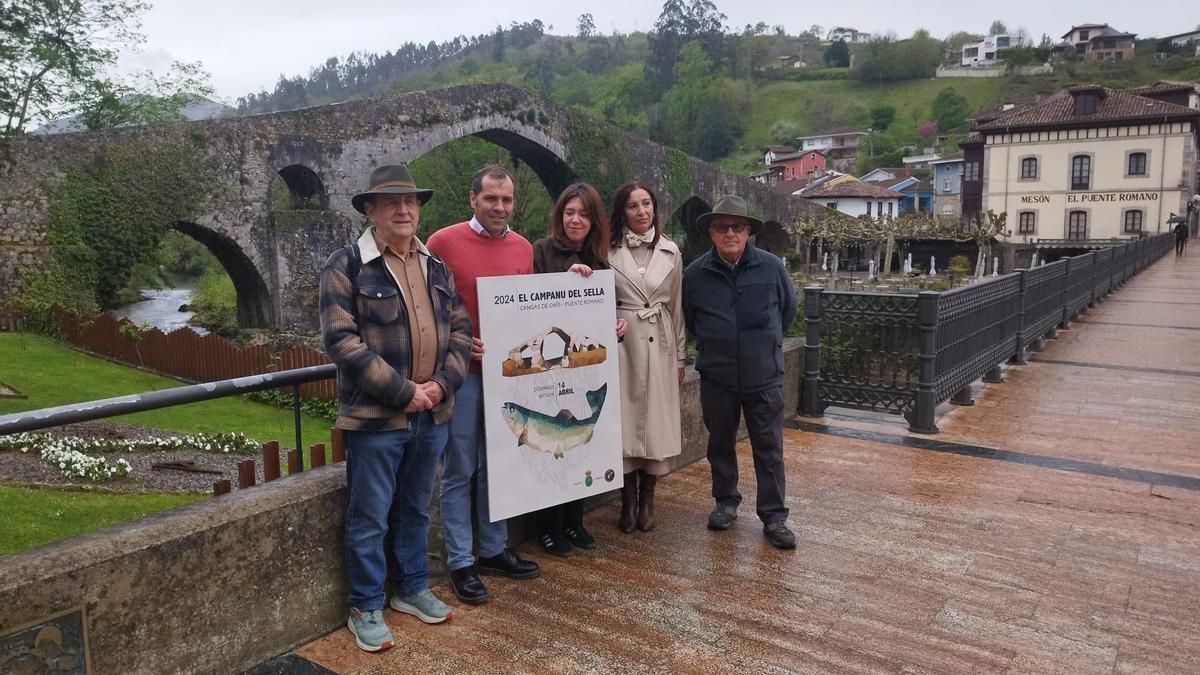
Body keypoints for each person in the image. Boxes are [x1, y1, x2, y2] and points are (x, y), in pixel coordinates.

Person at [319, 164, 472, 652]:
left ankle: (410, 588)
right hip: (378, 418)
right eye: (391, 203)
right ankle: (365, 605)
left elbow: (462, 333)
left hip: (433, 413)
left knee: (415, 508)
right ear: (370, 210)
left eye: (411, 202)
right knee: (369, 517)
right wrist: (405, 391)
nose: (404, 210)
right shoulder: (345, 266)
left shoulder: (436, 266)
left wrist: (441, 386)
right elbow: (341, 342)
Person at [426, 165, 540, 607]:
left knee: (500, 465)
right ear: (473, 199)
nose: (499, 207)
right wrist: (456, 342)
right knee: (459, 469)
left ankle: (492, 549)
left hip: (508, 377)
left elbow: (529, 310)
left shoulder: (523, 248)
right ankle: (460, 561)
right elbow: (429, 308)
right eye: (491, 199)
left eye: (506, 200)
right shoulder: (443, 242)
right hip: (463, 376)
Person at [682, 195, 798, 550]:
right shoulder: (695, 273)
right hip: (718, 376)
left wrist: (763, 347)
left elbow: (788, 313)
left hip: (764, 375)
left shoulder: (771, 268)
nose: (729, 232)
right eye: (721, 227)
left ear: (748, 230)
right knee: (719, 443)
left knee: (769, 448)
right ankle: (726, 501)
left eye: (737, 226)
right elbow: (691, 321)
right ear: (712, 233)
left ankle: (774, 516)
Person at [530, 182, 621, 555]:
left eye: (583, 213)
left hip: (583, 371)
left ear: (594, 219)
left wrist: (616, 325)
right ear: (559, 215)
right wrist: (567, 279)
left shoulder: (601, 261)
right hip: (549, 371)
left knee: (581, 444)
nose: (575, 219)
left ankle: (573, 521)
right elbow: (529, 304)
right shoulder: (541, 251)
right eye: (569, 212)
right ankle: (548, 527)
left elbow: (603, 315)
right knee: (553, 445)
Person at [607, 182, 686, 534]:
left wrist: (681, 358)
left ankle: (649, 499)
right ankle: (627, 501)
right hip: (623, 344)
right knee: (625, 420)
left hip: (660, 342)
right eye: (632, 206)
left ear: (655, 207)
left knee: (654, 422)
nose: (641, 212)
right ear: (621, 212)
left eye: (646, 204)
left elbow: (678, 308)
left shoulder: (672, 251)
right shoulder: (607, 250)